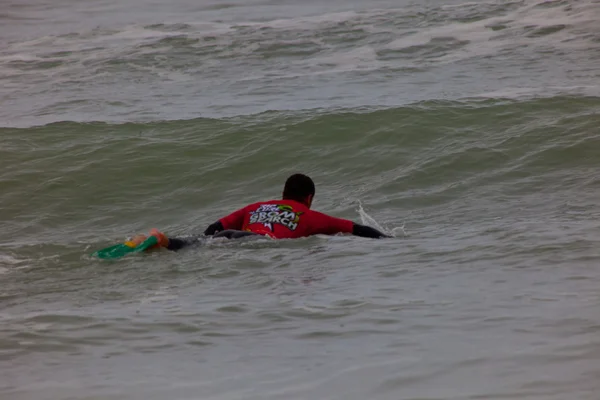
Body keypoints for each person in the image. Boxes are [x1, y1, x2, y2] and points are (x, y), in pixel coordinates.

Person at [143, 173, 391, 251]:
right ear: (309, 198)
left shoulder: (257, 206)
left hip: (231, 234)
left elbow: (215, 227)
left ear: (283, 193)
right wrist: (389, 240)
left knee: (196, 244)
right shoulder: (310, 216)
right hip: (256, 243)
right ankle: (162, 241)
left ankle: (162, 240)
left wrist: (205, 237)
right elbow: (357, 229)